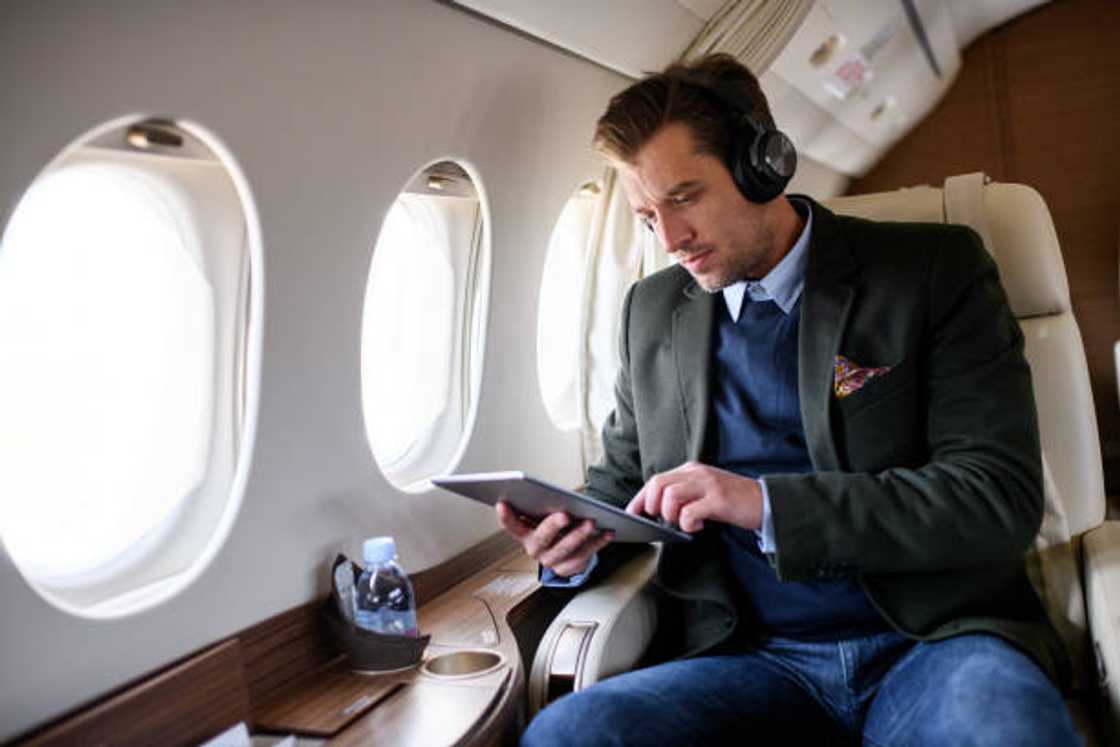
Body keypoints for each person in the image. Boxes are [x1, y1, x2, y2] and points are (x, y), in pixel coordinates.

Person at [497, 53, 1078, 745]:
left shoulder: (931, 271)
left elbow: (994, 498)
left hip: (934, 641)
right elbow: (624, 489)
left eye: (684, 197)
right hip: (750, 659)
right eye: (647, 216)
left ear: (762, 165)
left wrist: (763, 502)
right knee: (572, 733)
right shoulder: (653, 312)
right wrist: (574, 545)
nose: (670, 240)